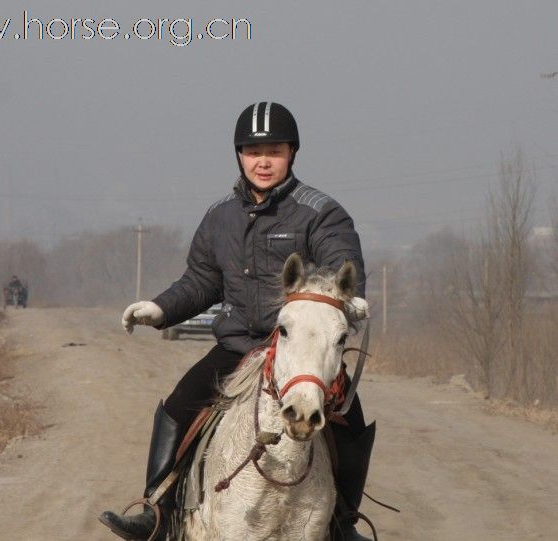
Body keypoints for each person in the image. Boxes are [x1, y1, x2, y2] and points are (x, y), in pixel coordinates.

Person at [100, 102, 375, 541]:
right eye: (252, 151)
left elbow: (343, 262)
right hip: (235, 347)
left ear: (292, 154)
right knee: (175, 406)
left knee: (352, 421)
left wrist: (349, 296)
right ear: (239, 155)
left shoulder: (322, 213)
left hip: (294, 346)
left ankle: (343, 523)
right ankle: (157, 511)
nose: (262, 161)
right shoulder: (219, 217)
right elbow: (202, 280)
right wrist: (161, 308)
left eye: (275, 151)